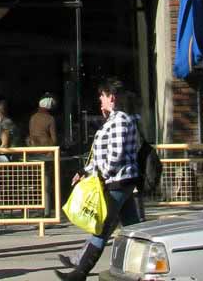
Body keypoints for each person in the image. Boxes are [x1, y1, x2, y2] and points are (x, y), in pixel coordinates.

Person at [56, 78, 142, 281]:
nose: (100, 100)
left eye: (102, 96)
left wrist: (100, 176)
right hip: (120, 181)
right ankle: (145, 267)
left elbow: (115, 155)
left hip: (117, 181)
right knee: (133, 227)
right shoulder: (116, 119)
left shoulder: (120, 120)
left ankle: (79, 273)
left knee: (102, 227)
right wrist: (86, 171)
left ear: (111, 97)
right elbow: (102, 154)